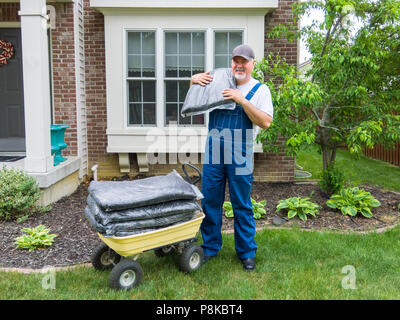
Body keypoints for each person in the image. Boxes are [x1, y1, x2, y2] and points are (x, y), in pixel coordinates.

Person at [190, 44, 274, 271]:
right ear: (232, 63)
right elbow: (193, 104)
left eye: (244, 61)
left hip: (240, 154)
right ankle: (209, 247)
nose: (239, 65)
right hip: (214, 152)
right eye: (236, 61)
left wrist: (242, 100)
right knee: (210, 201)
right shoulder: (218, 83)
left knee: (242, 204)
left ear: (252, 64)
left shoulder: (260, 90)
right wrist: (192, 82)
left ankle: (246, 252)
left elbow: (266, 122)